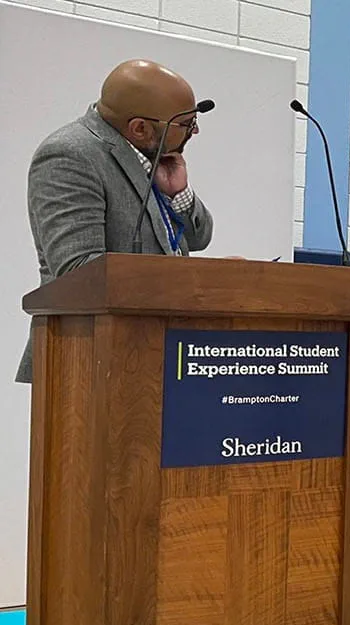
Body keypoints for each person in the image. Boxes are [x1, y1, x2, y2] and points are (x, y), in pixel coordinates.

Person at [18, 59, 214, 383]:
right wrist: (196, 283)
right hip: (87, 361)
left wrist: (179, 192)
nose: (195, 131)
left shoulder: (149, 156)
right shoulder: (70, 155)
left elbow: (199, 237)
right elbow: (80, 270)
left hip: (156, 353)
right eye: (187, 123)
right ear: (139, 128)